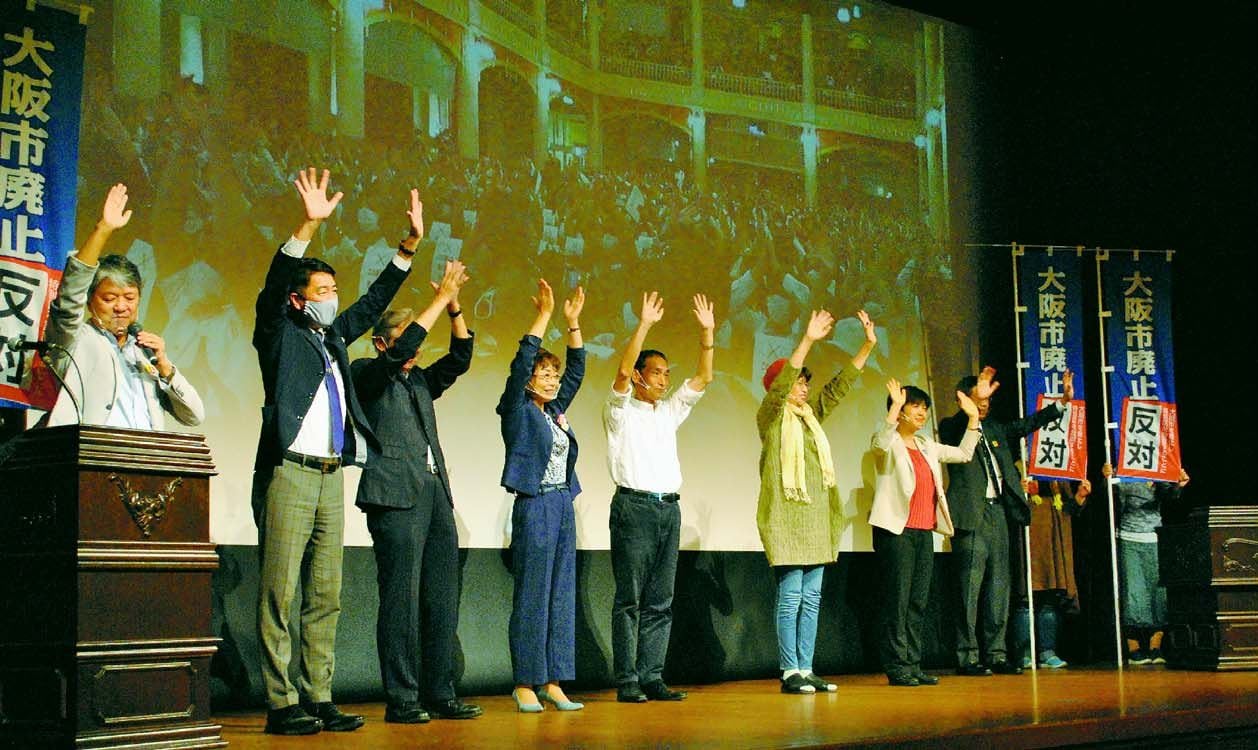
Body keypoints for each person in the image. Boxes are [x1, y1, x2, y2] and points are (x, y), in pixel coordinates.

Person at [251, 168, 417, 736]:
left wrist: (406, 251)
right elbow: (272, 287)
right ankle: (280, 702)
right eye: (322, 292)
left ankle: (318, 694)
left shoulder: (331, 339)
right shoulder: (280, 333)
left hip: (329, 475)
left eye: (334, 291)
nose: (332, 299)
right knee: (280, 591)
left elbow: (371, 306)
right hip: (290, 473)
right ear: (298, 300)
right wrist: (306, 226)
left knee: (326, 593)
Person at [352, 260, 482, 724]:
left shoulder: (420, 381)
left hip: (433, 491)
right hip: (393, 494)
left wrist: (454, 308)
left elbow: (461, 358)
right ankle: (402, 698)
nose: (415, 350)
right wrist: (437, 300)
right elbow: (397, 355)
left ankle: (440, 692)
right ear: (382, 342)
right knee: (401, 601)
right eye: (406, 340)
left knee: (440, 598)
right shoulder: (366, 372)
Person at [604, 291, 715, 703]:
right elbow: (620, 370)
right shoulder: (619, 411)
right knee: (630, 599)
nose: (664, 381)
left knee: (661, 601)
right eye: (656, 373)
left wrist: (707, 335)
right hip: (633, 508)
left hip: (669, 509)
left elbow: (703, 379)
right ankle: (627, 680)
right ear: (639, 376)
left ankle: (652, 676)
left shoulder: (668, 411)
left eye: (667, 374)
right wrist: (645, 324)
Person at [757, 309, 876, 694]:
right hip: (786, 518)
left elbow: (837, 389)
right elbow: (782, 386)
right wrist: (807, 339)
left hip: (816, 517)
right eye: (797, 383)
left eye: (805, 383)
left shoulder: (810, 418)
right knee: (790, 596)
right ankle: (789, 670)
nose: (804, 388)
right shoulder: (771, 417)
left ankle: (806, 668)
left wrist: (867, 347)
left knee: (812, 598)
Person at [938, 366, 1074, 676]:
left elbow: (1026, 424)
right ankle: (967, 657)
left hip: (998, 513)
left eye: (987, 400)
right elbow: (956, 436)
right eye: (978, 398)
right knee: (968, 589)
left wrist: (1062, 402)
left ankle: (996, 654)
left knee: (999, 587)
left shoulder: (996, 428)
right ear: (963, 400)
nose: (985, 404)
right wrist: (971, 410)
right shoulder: (952, 426)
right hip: (971, 515)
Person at [42, 183, 204, 428]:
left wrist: (164, 366)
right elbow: (69, 298)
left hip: (143, 451)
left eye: (129, 298)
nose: (121, 307)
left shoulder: (144, 352)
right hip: (91, 449)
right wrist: (103, 229)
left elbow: (194, 416)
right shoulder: (74, 340)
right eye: (109, 298)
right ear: (90, 300)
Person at [497, 279, 586, 713]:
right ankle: (525, 682)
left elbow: (577, 371)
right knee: (533, 595)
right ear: (529, 379)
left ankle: (553, 680)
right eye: (544, 373)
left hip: (562, 504)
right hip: (534, 505)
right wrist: (544, 316)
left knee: (560, 594)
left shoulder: (554, 411)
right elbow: (519, 365)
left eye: (553, 374)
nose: (552, 380)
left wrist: (573, 325)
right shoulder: (517, 409)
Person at [869, 379, 979, 686]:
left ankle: (913, 663)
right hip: (897, 532)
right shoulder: (889, 442)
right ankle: (897, 666)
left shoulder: (926, 445)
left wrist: (973, 418)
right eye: (915, 406)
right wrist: (893, 408)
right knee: (898, 601)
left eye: (925, 407)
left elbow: (964, 454)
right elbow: (879, 443)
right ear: (901, 411)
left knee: (917, 602)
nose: (922, 412)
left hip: (923, 531)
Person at [1106, 463, 1190, 665]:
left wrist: (1179, 485)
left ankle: (1155, 646)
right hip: (1129, 537)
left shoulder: (1159, 468)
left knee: (1157, 593)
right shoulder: (1124, 469)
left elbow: (1170, 496)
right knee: (1133, 594)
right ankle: (1133, 648)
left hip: (1154, 536)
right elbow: (1112, 498)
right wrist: (1108, 478)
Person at [1009, 477, 1092, 669]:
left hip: (1053, 540)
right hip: (1028, 540)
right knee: (1025, 600)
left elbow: (1069, 509)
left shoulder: (1056, 476)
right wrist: (1019, 491)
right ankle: (1025, 653)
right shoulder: (1019, 470)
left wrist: (1080, 497)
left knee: (1049, 599)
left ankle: (1047, 651)